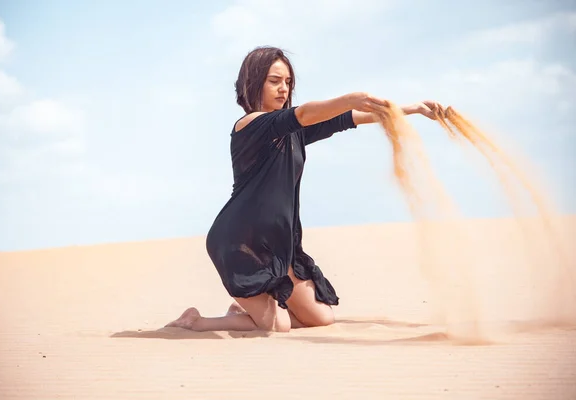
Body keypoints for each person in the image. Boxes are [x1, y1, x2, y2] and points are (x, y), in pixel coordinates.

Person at [166, 46, 445, 333]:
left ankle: (249, 309)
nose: (283, 89)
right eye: (274, 81)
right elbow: (308, 113)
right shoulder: (250, 125)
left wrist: (411, 109)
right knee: (279, 326)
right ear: (254, 82)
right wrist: (350, 97)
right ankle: (196, 321)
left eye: (288, 82)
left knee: (321, 318)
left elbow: (349, 118)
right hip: (241, 242)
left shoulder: (293, 132)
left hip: (278, 243)